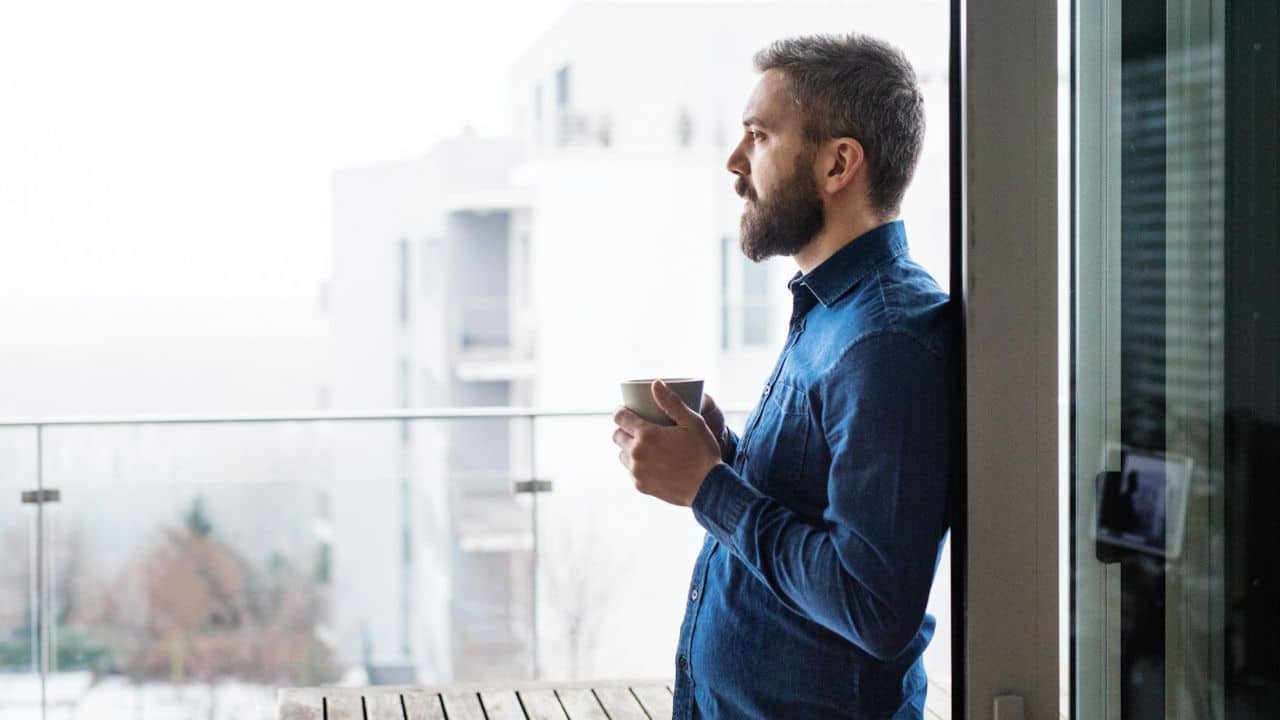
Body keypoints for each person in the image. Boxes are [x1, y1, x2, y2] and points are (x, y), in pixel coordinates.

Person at [611, 33, 953, 719]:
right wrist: (720, 453)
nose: (735, 162)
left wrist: (709, 488)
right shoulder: (832, 312)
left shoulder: (885, 339)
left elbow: (874, 606)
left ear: (838, 164)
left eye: (758, 136)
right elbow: (814, 510)